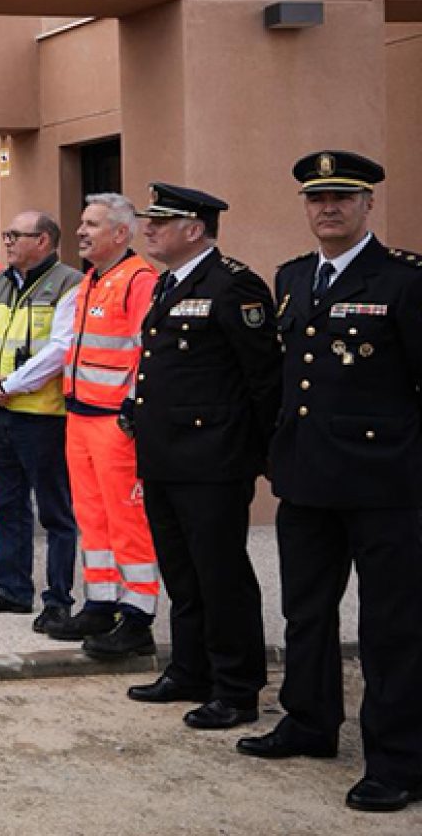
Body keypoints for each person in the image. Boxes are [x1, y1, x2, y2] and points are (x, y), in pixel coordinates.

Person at [240, 151, 422, 813]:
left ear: (368, 203)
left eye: (343, 196)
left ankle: (399, 758)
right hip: (307, 479)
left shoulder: (404, 280)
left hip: (385, 485)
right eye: (318, 198)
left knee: (392, 625)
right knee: (306, 613)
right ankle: (311, 721)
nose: (329, 208)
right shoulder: (293, 278)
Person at [122, 183, 276, 731]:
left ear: (194, 229)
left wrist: (260, 456)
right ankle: (190, 670)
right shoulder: (169, 284)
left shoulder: (234, 285)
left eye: (160, 221)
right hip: (165, 457)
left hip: (214, 462)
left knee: (221, 576)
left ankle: (236, 689)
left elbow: (263, 380)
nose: (149, 228)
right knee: (182, 575)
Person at [0, 211, 80, 627]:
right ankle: (12, 589)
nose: (6, 241)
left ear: (43, 241)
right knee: (8, 505)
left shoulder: (69, 283)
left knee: (55, 511)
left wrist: (11, 384)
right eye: (6, 235)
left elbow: (61, 348)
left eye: (16, 235)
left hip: (41, 413)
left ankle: (58, 599)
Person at [55, 194, 161, 659]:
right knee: (92, 516)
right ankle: (100, 601)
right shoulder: (92, 281)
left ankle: (137, 616)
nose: (80, 231)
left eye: (92, 224)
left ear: (120, 233)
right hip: (81, 416)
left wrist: (133, 410)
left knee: (127, 518)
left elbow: (147, 353)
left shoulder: (138, 280)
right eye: (81, 223)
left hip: (115, 422)